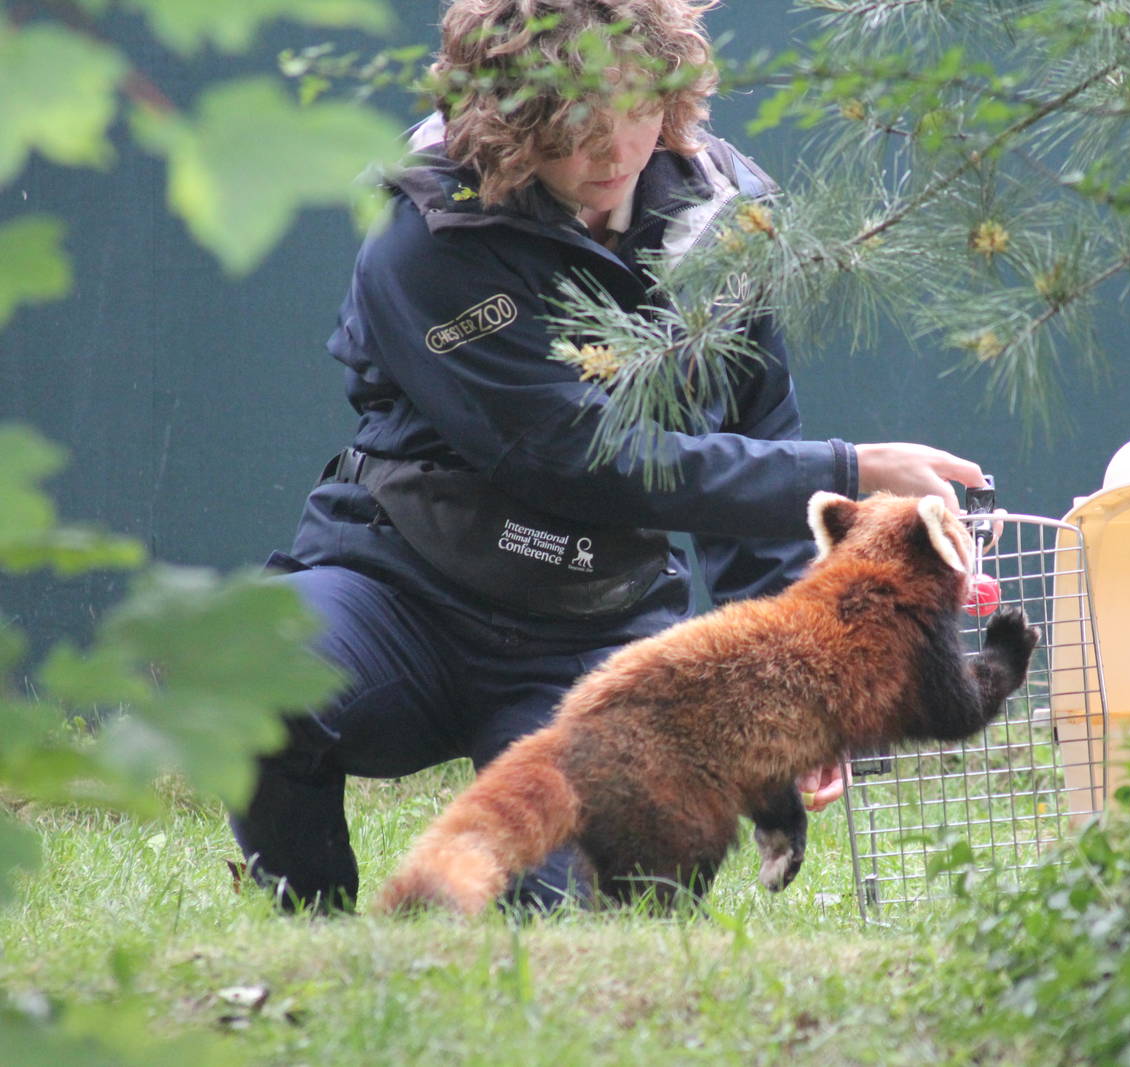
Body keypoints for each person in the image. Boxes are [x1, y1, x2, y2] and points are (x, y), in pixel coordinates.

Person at [232, 0, 988, 912]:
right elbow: (576, 457)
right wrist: (848, 471)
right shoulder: (426, 235)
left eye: (631, 107)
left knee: (574, 925)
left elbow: (752, 433)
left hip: (593, 638)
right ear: (505, 122)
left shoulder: (723, 215)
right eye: (568, 124)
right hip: (404, 597)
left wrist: (803, 679)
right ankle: (304, 922)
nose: (609, 147)